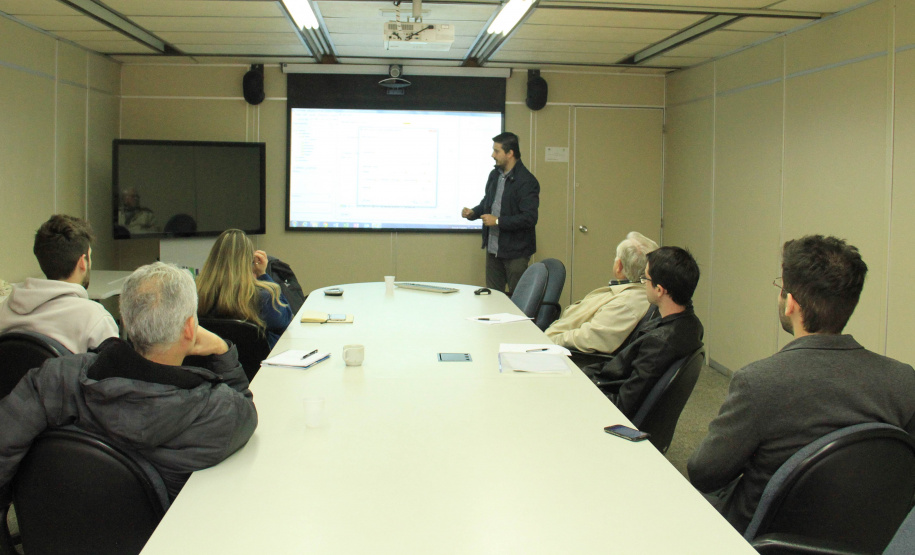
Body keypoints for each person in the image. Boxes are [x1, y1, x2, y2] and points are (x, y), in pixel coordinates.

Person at [688, 235, 915, 535]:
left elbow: (704, 473)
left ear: (791, 302)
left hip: (761, 537)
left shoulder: (758, 383)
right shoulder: (903, 380)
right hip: (864, 537)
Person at [0, 262, 258, 500]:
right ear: (190, 328)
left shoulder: (56, 375)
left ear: (124, 320)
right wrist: (222, 350)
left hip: (60, 530)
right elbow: (245, 409)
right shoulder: (215, 411)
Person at [583, 246, 704, 418]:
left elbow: (623, 406)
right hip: (606, 383)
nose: (643, 283)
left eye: (645, 278)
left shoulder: (660, 344)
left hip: (606, 408)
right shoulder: (692, 324)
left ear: (660, 290)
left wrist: (579, 391)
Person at [0, 214, 119, 353]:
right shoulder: (96, 318)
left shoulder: (5, 308)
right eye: (90, 256)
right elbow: (114, 372)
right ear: (82, 262)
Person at [545, 231, 658, 353]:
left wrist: (548, 341)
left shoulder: (627, 303)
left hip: (562, 353)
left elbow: (589, 338)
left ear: (619, 266)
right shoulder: (629, 292)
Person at [462, 132, 540, 295]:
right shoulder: (494, 175)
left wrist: (498, 221)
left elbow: (530, 218)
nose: (493, 155)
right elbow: (487, 202)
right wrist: (473, 213)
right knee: (493, 296)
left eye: (496, 151)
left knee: (518, 298)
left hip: (516, 252)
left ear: (510, 153)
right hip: (493, 249)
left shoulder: (527, 181)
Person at [196, 229, 293, 349]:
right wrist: (262, 274)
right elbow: (286, 320)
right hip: (258, 366)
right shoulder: (264, 296)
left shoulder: (197, 294)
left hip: (213, 365)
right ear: (249, 261)